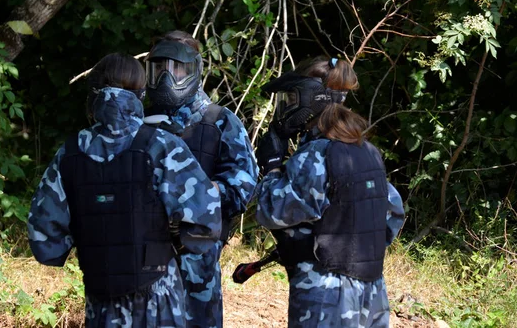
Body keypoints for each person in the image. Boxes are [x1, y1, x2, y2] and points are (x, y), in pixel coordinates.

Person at [27, 53, 222, 328]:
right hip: (159, 302)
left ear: (92, 95)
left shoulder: (69, 154)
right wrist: (172, 239)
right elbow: (207, 223)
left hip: (101, 305)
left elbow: (45, 242)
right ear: (140, 94)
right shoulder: (163, 146)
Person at [254, 56, 405, 328]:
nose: (286, 107)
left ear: (311, 98)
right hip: (372, 290)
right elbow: (392, 215)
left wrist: (273, 166)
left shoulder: (315, 154)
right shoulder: (368, 151)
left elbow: (270, 211)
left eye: (291, 98)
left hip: (327, 294)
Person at [144, 31, 259, 328]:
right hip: (141, 257)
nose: (168, 77)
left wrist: (193, 196)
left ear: (193, 69)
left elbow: (243, 187)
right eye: (160, 69)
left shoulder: (219, 121)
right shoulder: (135, 120)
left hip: (196, 258)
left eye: (177, 68)